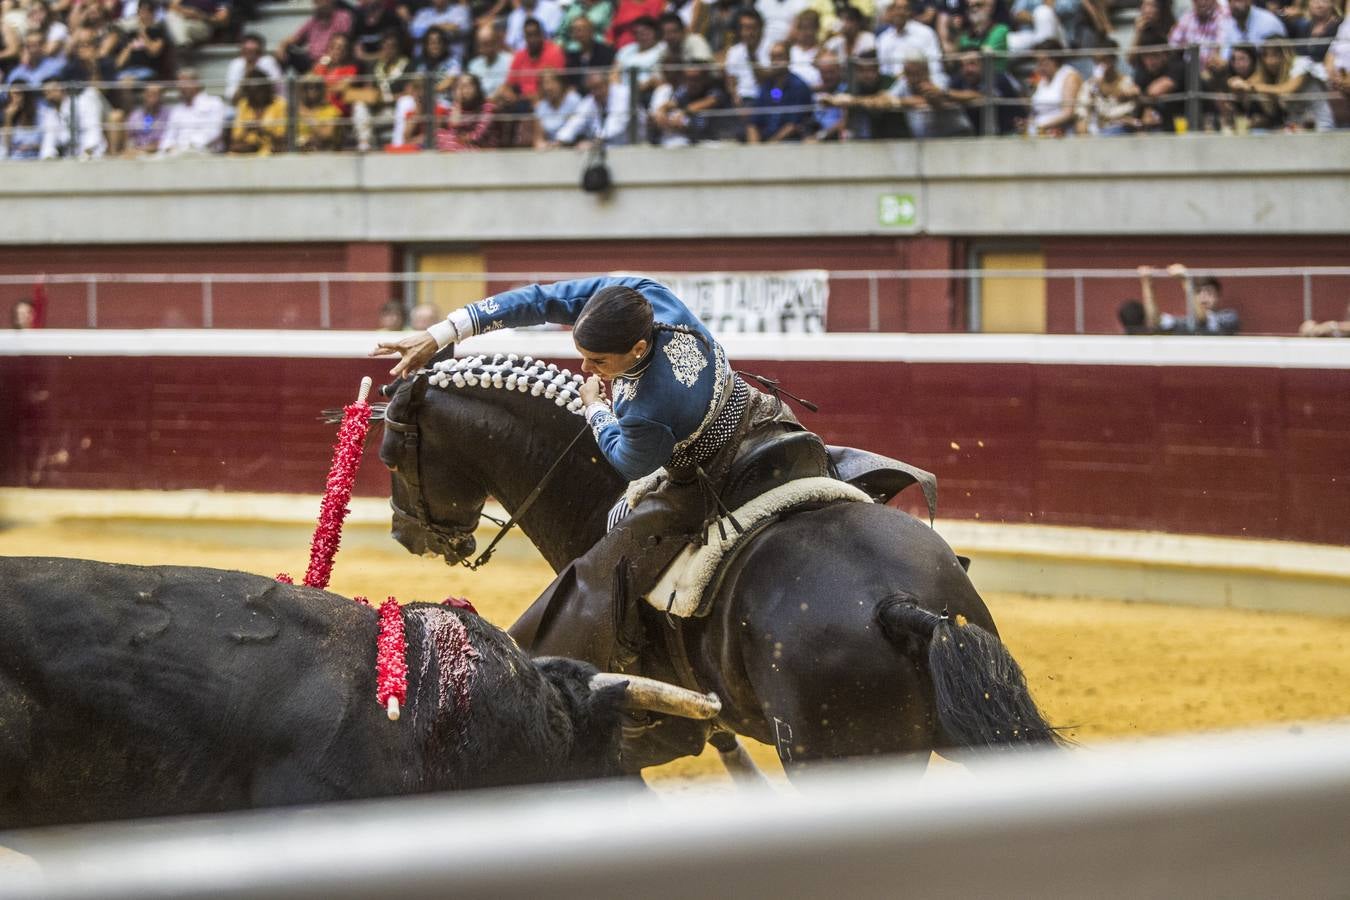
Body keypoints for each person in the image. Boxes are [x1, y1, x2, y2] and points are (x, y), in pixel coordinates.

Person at [372, 275, 827, 675]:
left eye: (599, 362)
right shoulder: (643, 296)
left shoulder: (653, 404)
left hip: (708, 468)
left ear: (638, 348)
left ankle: (640, 660)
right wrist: (443, 333)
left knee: (608, 558)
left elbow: (627, 461)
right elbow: (540, 298)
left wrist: (595, 408)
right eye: (583, 355)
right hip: (762, 415)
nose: (586, 369)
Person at [1137, 264, 1240, 334]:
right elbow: (1156, 321)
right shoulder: (1188, 321)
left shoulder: (1229, 316)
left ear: (1218, 296)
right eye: (1198, 292)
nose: (1203, 296)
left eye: (1209, 292)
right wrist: (1147, 284)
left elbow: (1201, 318)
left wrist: (1186, 280)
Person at [746, 39, 815, 142]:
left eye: (779, 56)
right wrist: (755, 149)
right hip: (765, 142)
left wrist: (770, 147)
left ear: (788, 59)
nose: (776, 61)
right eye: (773, 57)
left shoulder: (799, 86)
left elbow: (793, 125)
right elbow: (754, 123)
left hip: (791, 143)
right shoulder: (766, 86)